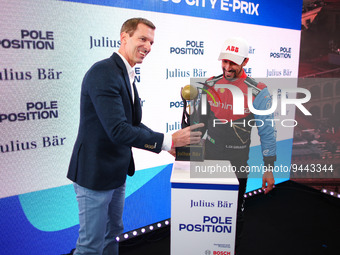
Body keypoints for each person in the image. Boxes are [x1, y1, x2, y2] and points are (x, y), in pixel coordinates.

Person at [66, 18, 203, 255]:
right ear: (124, 38)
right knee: (90, 246)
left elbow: (133, 123)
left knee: (112, 234)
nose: (148, 46)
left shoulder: (127, 74)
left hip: (116, 173)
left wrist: (166, 146)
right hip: (94, 175)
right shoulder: (103, 72)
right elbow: (118, 130)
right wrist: (168, 141)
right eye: (142, 39)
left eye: (151, 42)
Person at [197, 37, 276, 253]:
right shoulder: (210, 84)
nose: (227, 67)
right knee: (206, 210)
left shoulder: (258, 90)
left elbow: (267, 131)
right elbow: (199, 123)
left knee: (233, 214)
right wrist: (186, 151)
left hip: (237, 164)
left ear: (245, 61)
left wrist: (268, 167)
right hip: (209, 158)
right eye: (224, 61)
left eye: (233, 63)